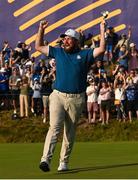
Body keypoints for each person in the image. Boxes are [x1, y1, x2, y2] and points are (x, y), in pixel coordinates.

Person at [35, 19, 105, 172]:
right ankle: (45, 159)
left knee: (70, 132)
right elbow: (38, 46)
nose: (64, 41)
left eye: (68, 39)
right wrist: (41, 29)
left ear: (75, 41)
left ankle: (63, 162)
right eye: (64, 38)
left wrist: (102, 29)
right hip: (58, 96)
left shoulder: (84, 54)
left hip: (77, 99)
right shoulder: (58, 51)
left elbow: (101, 50)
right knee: (54, 127)